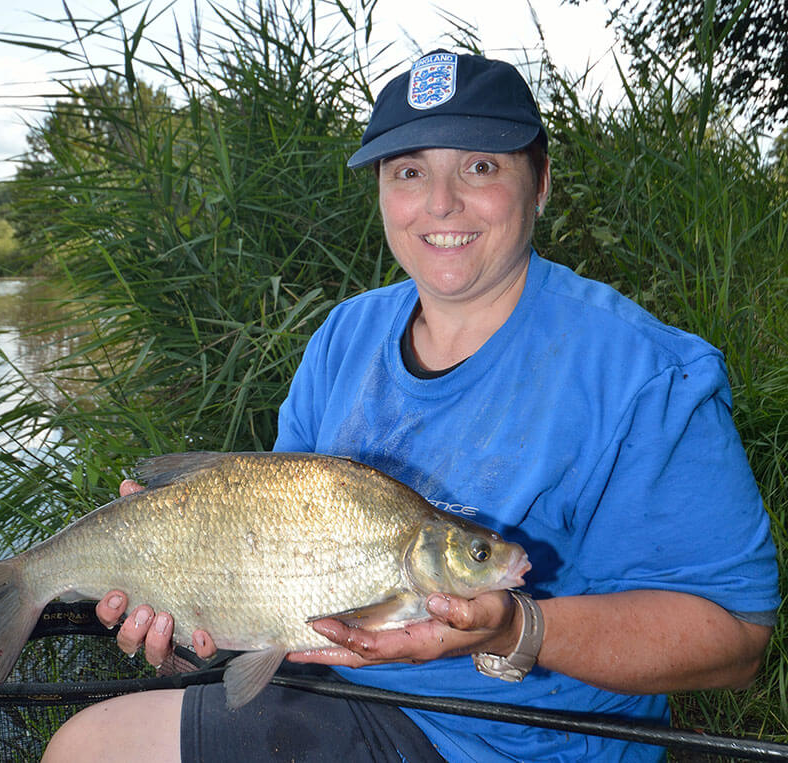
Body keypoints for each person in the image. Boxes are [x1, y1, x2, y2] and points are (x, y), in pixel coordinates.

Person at [42, 50, 780, 761]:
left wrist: (510, 629)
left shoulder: (646, 372)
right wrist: (189, 594)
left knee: (89, 748)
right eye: (409, 171)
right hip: (334, 693)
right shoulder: (345, 336)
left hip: (512, 741)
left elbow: (736, 639)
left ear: (542, 182)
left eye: (481, 167)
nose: (440, 203)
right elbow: (274, 557)